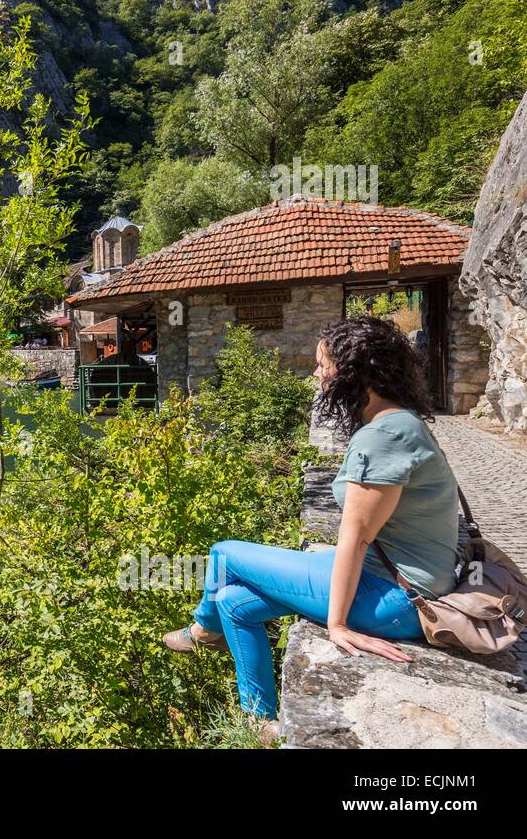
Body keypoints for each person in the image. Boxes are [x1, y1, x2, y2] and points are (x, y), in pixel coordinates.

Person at [162, 316, 459, 737]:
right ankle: (261, 722)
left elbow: (355, 540)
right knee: (233, 601)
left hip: (399, 600)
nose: (316, 373)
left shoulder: (382, 438)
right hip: (395, 581)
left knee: (223, 553)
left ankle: (202, 631)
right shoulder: (399, 422)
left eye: (324, 364)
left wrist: (337, 626)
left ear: (354, 372)